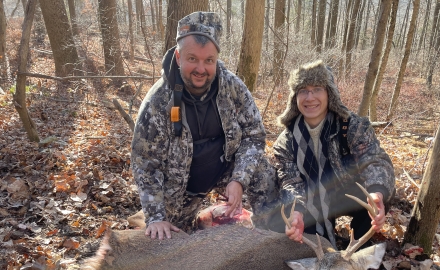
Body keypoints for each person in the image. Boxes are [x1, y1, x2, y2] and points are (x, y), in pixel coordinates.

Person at [131, 12, 276, 240]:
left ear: (216, 58)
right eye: (192, 59)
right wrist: (156, 217)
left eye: (209, 60)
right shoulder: (157, 102)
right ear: (178, 57)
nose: (201, 69)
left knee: (264, 173)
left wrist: (239, 179)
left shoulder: (232, 86)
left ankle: (273, 238)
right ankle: (160, 217)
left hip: (223, 170)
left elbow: (254, 135)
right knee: (171, 241)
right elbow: (146, 164)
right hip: (179, 191)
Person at [273, 60, 395, 249]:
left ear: (330, 94)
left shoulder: (353, 126)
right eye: (303, 90)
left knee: (371, 198)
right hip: (312, 199)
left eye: (317, 89)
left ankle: (357, 252)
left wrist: (376, 193)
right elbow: (290, 182)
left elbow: (375, 161)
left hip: (348, 192)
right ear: (295, 98)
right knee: (308, 243)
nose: (310, 97)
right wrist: (295, 210)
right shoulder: (286, 141)